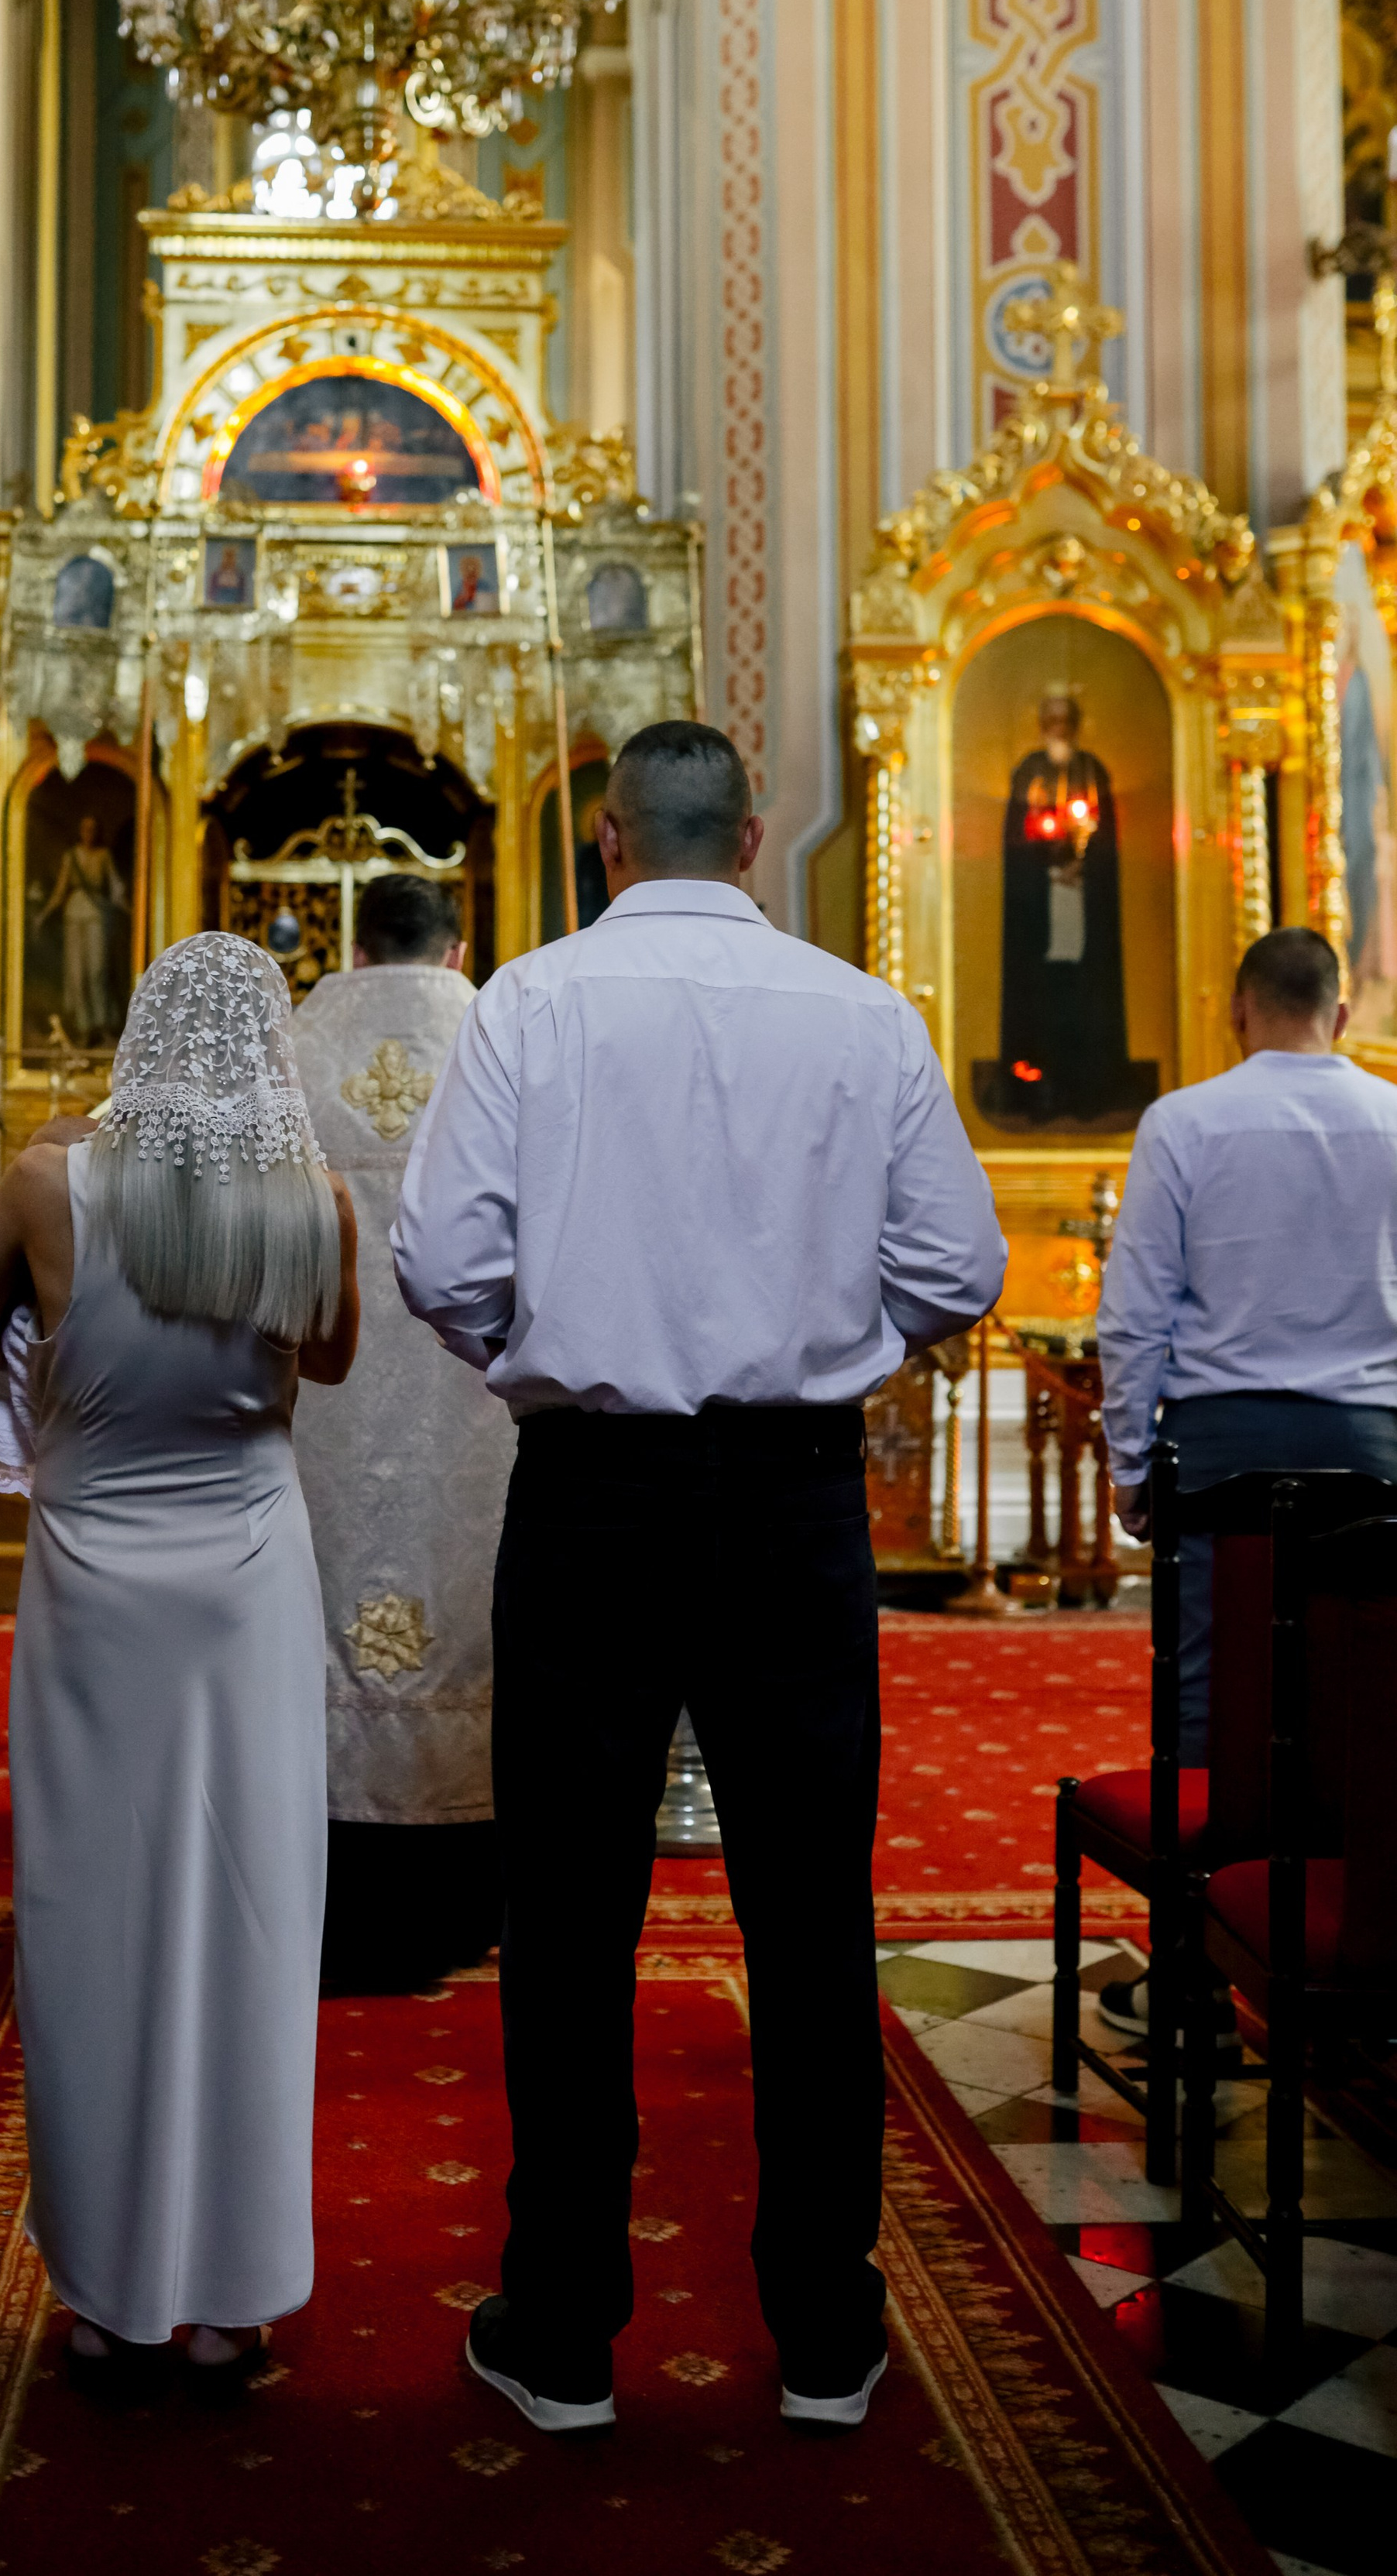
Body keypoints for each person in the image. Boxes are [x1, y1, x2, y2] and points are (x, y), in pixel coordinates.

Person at [392, 718, 1004, 2437]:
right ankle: (825, 2335)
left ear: (604, 840)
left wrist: (544, 1351)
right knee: (810, 1920)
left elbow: (442, 1258)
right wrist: (836, 1348)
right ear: (749, 838)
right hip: (795, 1503)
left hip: (592, 1497)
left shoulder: (527, 1004)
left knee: (569, 1922)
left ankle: (566, 2331)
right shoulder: (858, 1014)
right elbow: (958, 1262)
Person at [0, 933, 359, 2373]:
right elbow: (319, 1368)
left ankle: (106, 2299)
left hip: (93, 1577)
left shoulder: (46, 1184)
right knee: (254, 1919)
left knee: (92, 1921)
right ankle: (230, 2304)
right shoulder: (309, 1200)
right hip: (248, 1579)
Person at [1093, 924, 1397, 2037]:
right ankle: (1349, 1952)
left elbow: (1136, 1315)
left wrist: (1134, 1467)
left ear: (1236, 1010)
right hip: (1372, 1447)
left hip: (1221, 1446)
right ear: (1342, 1014)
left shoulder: (1188, 1122)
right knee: (1361, 1697)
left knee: (1209, 1707)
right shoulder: (1394, 1119)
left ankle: (1192, 1971)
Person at [288, 871, 511, 1977]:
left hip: (317, 1401)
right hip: (470, 1405)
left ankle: (321, 1882)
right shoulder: (505, 1038)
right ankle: (463, 1892)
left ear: (355, 947)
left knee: (325, 1595)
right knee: (465, 1601)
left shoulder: (290, 1042)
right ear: (459, 950)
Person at [980, 689, 1154, 1127]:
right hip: (1038, 908)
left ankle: (1089, 1086)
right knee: (1041, 994)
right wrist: (1046, 864)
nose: (1058, 728)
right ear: (1042, 725)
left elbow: (1106, 836)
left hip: (1084, 903)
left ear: (1074, 725)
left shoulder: (1092, 771)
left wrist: (1084, 866)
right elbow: (1016, 841)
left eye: (1065, 720)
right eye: (1051, 720)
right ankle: (1038, 1089)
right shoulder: (1029, 772)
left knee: (1085, 991)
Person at [37, 814, 130, 1044]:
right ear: (80, 831)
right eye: (84, 828)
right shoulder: (71, 856)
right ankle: (84, 1027)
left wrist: (129, 909)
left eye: (92, 828)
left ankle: (102, 1025)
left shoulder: (103, 855)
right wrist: (43, 915)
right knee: (76, 974)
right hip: (74, 913)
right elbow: (60, 891)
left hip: (96, 914)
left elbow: (116, 887)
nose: (88, 833)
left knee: (97, 972)